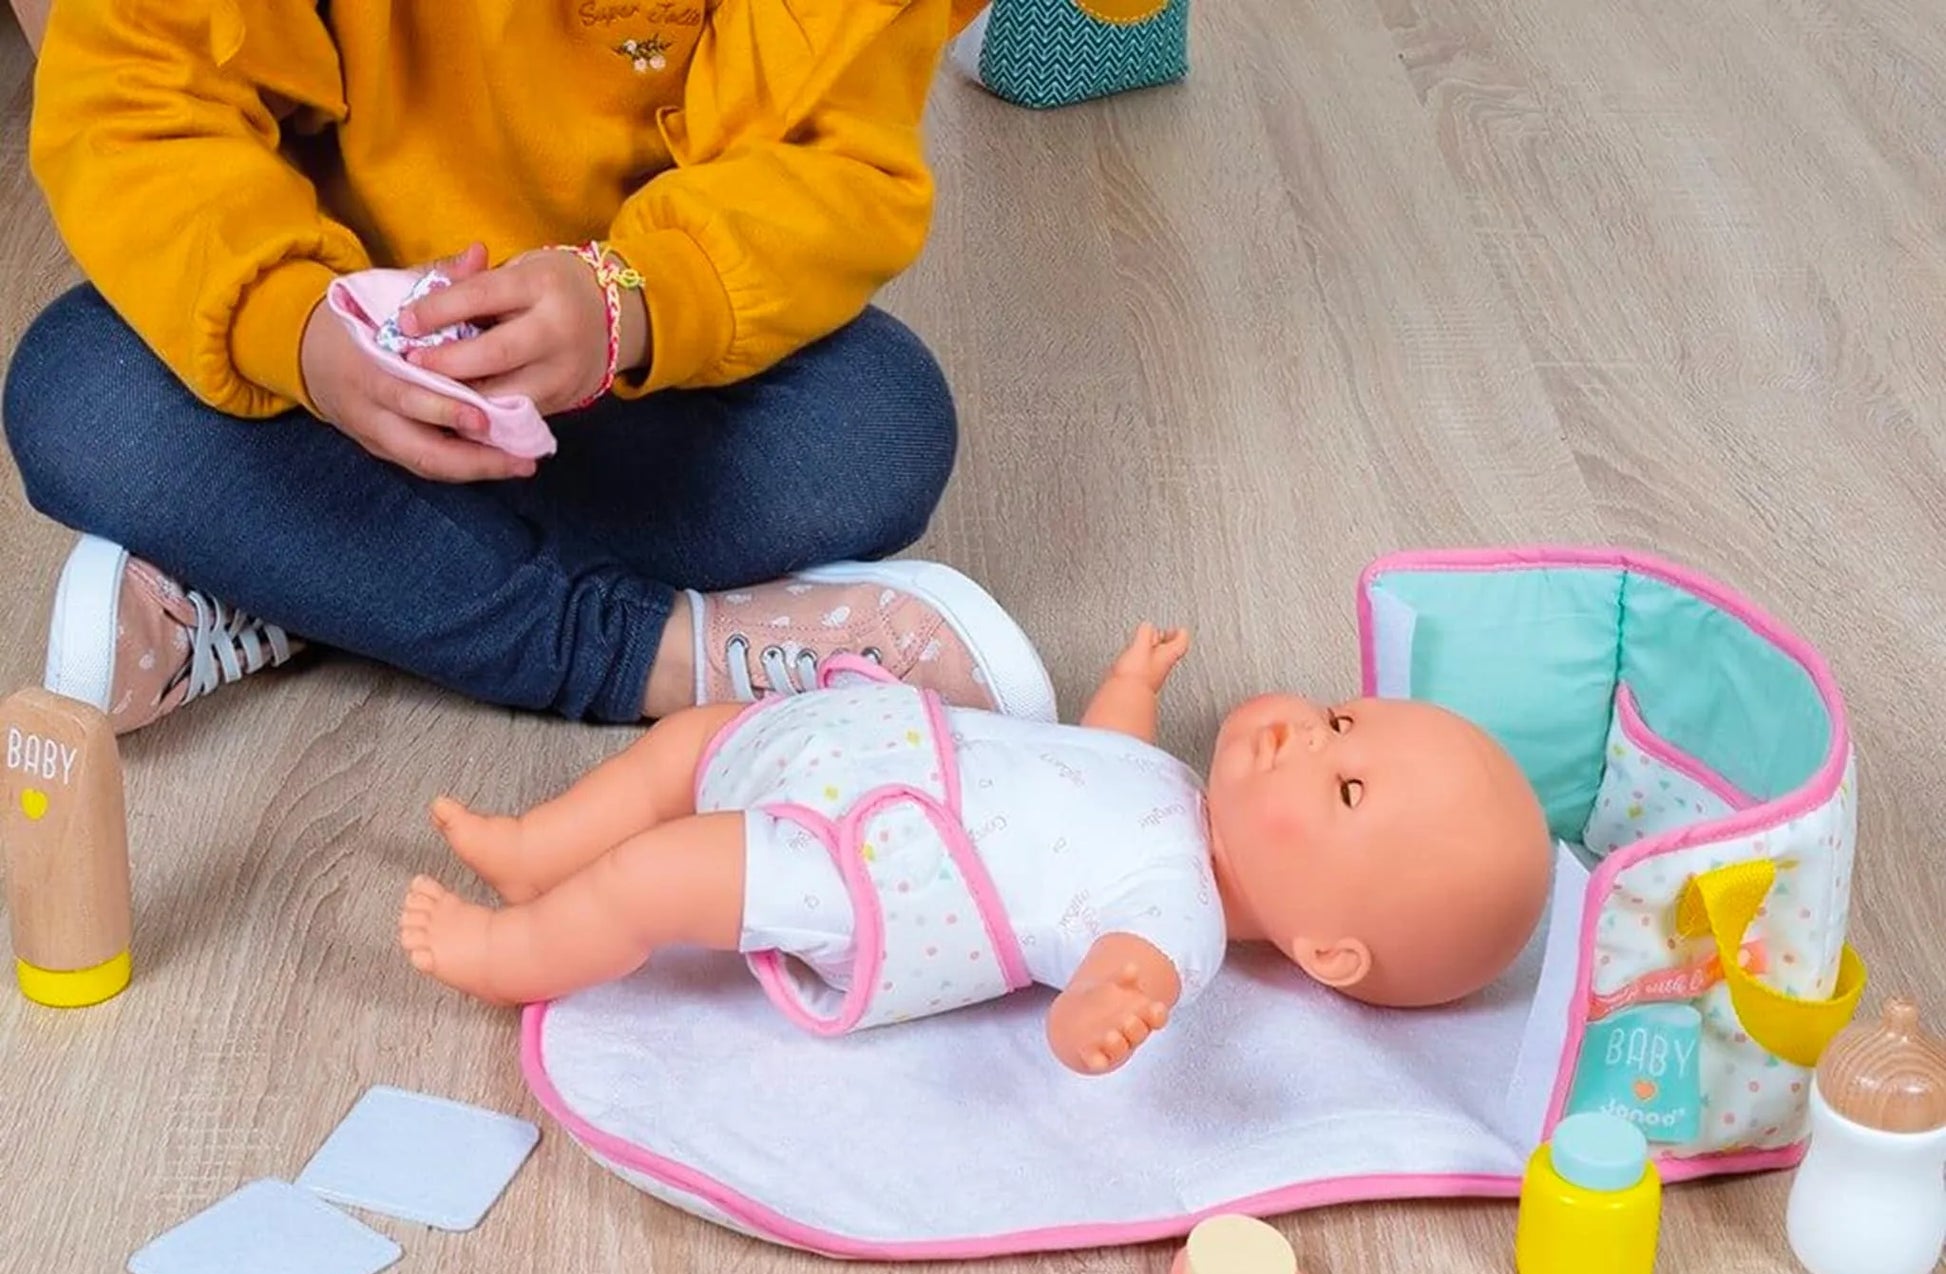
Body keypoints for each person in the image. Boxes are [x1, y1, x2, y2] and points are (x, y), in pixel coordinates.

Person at [1, 0, 1054, 735]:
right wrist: (294, 329)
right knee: (82, 393)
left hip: (631, 372)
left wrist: (636, 302)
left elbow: (824, 162)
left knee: (870, 427)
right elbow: (138, 98)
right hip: (320, 370)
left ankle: (300, 573)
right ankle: (653, 654)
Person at [398, 626, 1556, 1069]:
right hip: (876, 753)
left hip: (889, 869)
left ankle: (510, 948)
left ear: (1327, 949)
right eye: (1343, 718)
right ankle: (529, 850)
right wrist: (1128, 689)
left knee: (665, 873)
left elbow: (1121, 970)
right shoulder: (1181, 794)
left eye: (1341, 779)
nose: (1310, 731)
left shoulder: (1181, 917)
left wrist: (1100, 1012)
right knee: (693, 743)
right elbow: (1101, 769)